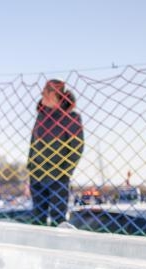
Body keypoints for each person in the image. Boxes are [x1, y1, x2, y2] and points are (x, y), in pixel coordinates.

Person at [27, 79, 84, 226]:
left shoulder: (71, 118)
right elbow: (33, 144)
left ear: (54, 94)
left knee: (58, 219)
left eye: (46, 90)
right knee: (37, 219)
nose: (42, 93)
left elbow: (77, 148)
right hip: (37, 176)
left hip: (58, 178)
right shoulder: (40, 116)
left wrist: (64, 173)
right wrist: (31, 168)